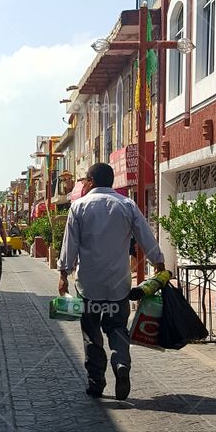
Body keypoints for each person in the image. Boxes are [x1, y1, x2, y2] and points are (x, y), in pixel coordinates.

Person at [57, 162, 166, 400]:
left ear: (91, 181)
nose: (83, 184)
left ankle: (96, 382)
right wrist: (158, 262)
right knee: (117, 328)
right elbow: (145, 235)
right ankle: (121, 363)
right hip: (119, 284)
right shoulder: (126, 205)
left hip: (88, 285)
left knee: (91, 333)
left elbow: (70, 244)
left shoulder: (79, 206)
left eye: (85, 180)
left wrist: (63, 273)